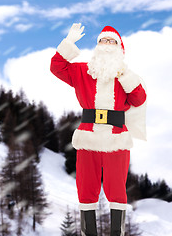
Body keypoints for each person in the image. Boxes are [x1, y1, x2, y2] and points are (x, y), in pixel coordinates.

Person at [50, 24, 147, 236]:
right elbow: (57, 67)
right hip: (88, 137)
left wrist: (125, 76)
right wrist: (68, 43)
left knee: (117, 190)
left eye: (111, 41)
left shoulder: (126, 76)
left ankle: (117, 233)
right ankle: (88, 233)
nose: (106, 45)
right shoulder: (82, 71)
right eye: (102, 41)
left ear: (120, 48)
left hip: (116, 139)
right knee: (86, 188)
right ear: (97, 46)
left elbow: (139, 99)